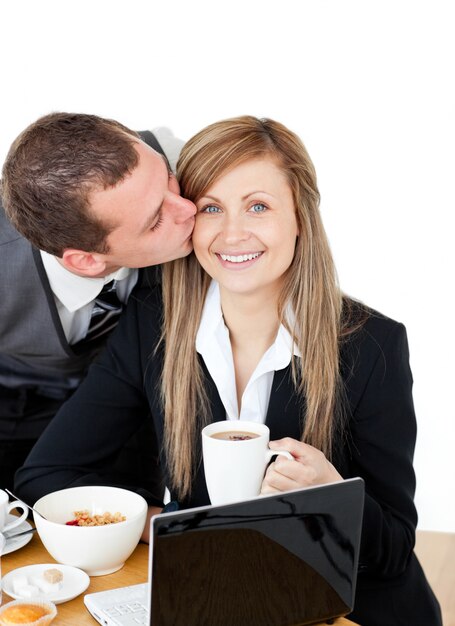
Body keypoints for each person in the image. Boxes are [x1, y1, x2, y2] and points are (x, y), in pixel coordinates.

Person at [15, 116, 442, 625]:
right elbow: (45, 476)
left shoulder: (374, 345)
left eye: (258, 206)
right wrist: (165, 524)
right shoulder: (153, 326)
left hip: (344, 608)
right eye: (212, 208)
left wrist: (331, 496)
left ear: (300, 216)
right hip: (216, 597)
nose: (233, 233)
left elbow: (393, 548)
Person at [0, 112, 195, 492]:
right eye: (155, 221)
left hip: (132, 400)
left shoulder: (173, 156)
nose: (187, 209)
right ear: (86, 260)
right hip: (13, 403)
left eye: (169, 181)